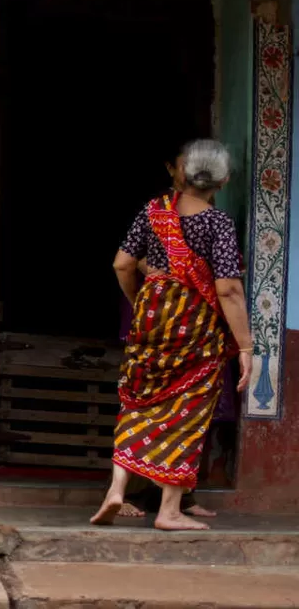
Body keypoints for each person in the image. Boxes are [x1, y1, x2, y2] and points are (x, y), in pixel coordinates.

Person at [92, 139, 253, 531]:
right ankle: (168, 510)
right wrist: (246, 346)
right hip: (195, 327)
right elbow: (228, 289)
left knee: (137, 400)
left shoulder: (153, 211)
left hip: (150, 319)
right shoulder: (217, 223)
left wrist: (144, 302)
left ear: (182, 175)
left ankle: (116, 488)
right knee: (187, 412)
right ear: (224, 180)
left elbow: (122, 263)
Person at [115, 148, 220, 520]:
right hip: (175, 319)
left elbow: (122, 262)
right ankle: (150, 499)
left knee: (166, 402)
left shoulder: (173, 214)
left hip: (159, 314)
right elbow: (129, 263)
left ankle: (174, 498)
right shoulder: (163, 211)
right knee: (171, 404)